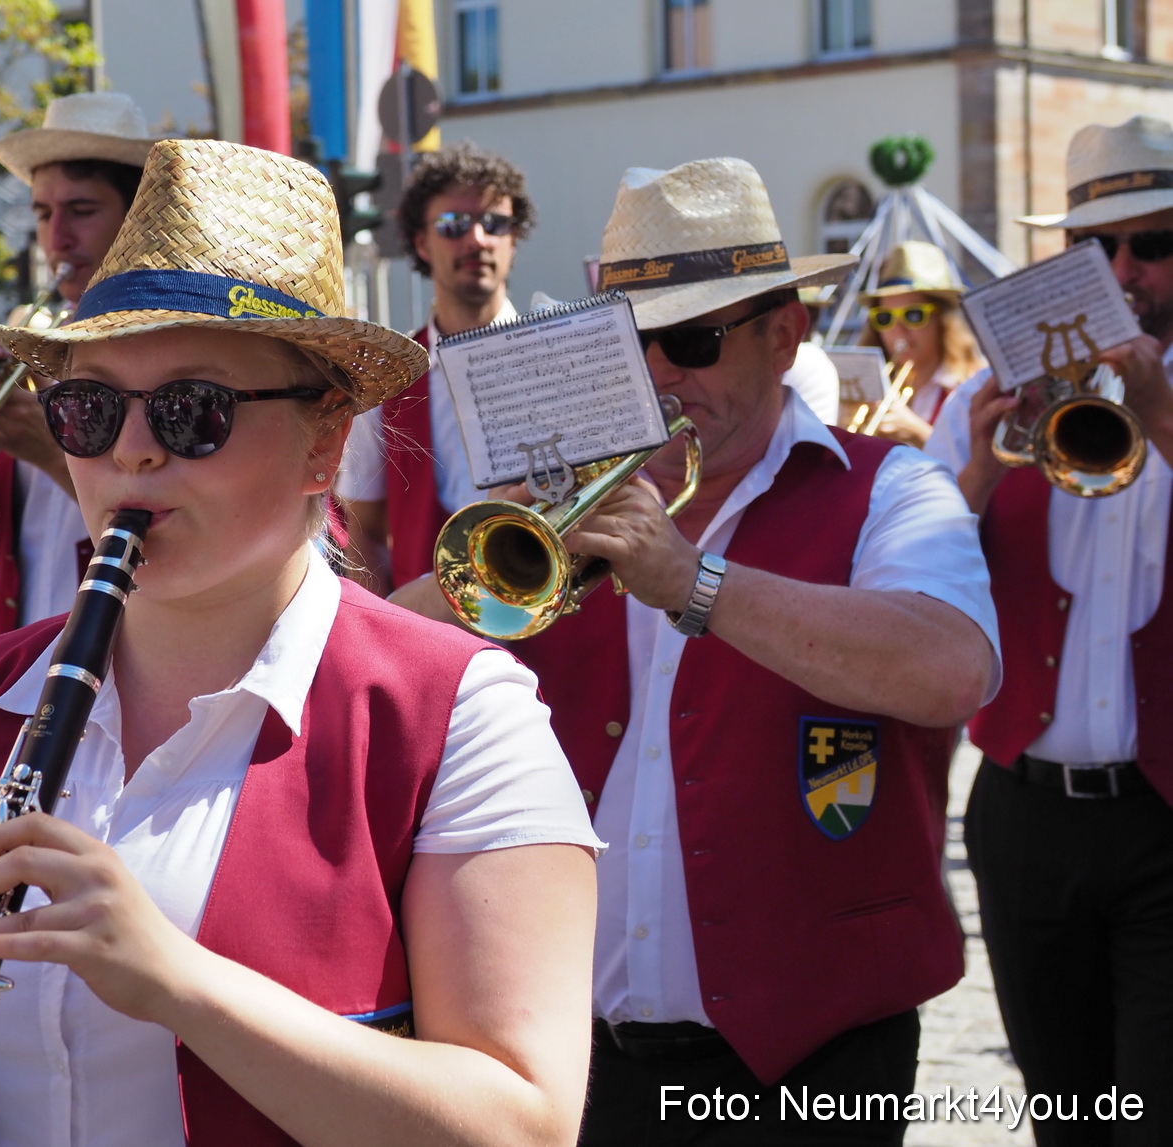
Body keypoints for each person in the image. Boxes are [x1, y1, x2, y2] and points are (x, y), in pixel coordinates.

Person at [0, 138, 599, 1147]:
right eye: (89, 407)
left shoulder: (459, 712)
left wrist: (180, 981)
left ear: (324, 440)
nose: (131, 449)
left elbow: (524, 1124)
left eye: (194, 410)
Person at [397, 157, 1002, 1143]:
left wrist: (691, 584)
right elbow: (387, 657)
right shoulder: (571, 510)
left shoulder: (891, 488)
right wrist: (489, 546)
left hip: (816, 1055)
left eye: (691, 340)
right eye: (630, 346)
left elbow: (948, 670)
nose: (659, 377)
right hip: (574, 1052)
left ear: (784, 335)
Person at [926, 113, 1173, 1145]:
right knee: (1067, 1121)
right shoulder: (994, 392)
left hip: (1165, 818)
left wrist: (1159, 416)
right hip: (1025, 813)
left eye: (1151, 244)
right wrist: (977, 470)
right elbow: (911, 586)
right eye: (1091, 247)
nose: (1121, 271)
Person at [0, 92, 157, 632]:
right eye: (43, 213)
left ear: (138, 217)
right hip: (31, 661)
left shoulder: (173, 349)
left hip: (125, 656)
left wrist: (50, 450)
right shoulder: (32, 342)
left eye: (81, 211)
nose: (55, 239)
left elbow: (173, 537)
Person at [336, 142, 536, 596]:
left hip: (555, 641)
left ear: (513, 240)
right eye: (453, 225)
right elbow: (361, 526)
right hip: (431, 642)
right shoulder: (390, 376)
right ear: (422, 243)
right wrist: (385, 626)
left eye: (495, 224)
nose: (477, 239)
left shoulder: (555, 360)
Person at [853, 241, 983, 446]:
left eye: (913, 315)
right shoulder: (865, 388)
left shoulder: (974, 384)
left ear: (942, 321)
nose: (898, 330)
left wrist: (921, 435)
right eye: (885, 318)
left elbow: (982, 468)